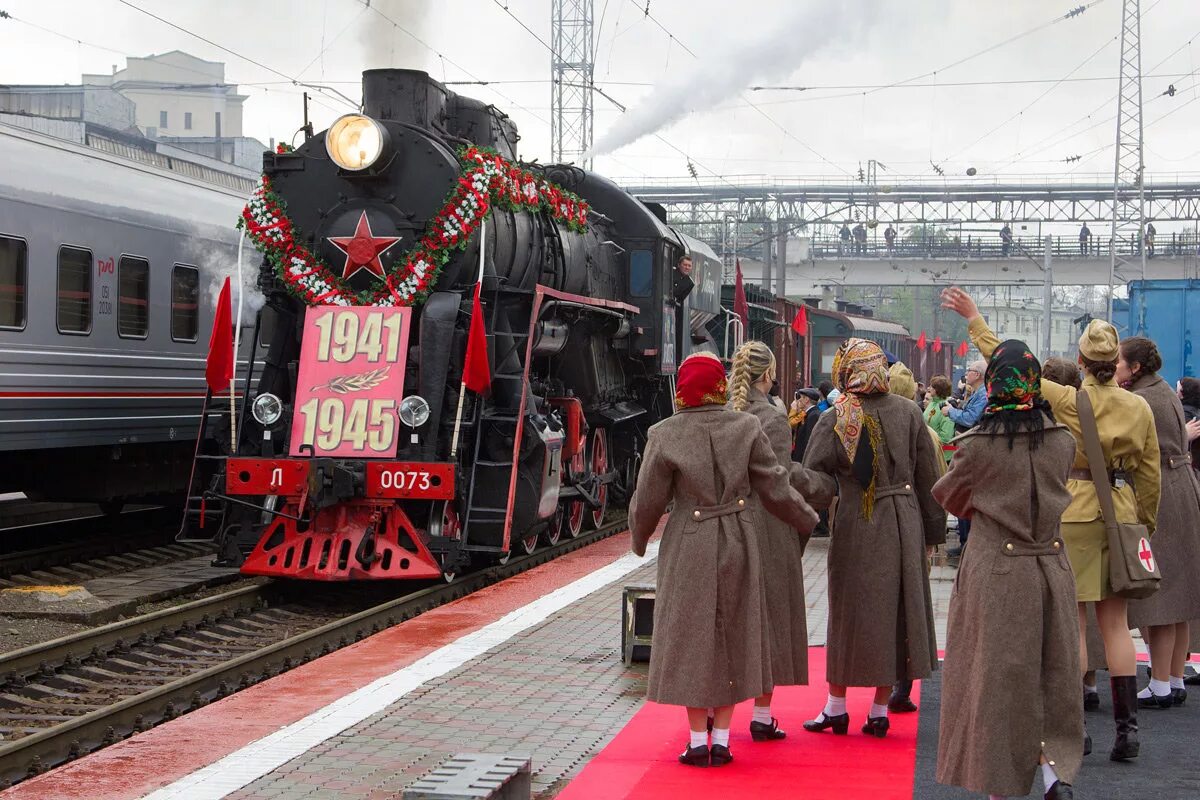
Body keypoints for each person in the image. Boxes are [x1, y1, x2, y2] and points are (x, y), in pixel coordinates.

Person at [943, 286, 1161, 763]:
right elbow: (1149, 473)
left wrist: (976, 319)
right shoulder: (1138, 407)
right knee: (1118, 627)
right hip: (1121, 516)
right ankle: (1127, 732)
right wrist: (1143, 523)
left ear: (1081, 361)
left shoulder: (1067, 400)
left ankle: (1076, 729)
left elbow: (1009, 361)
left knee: (1075, 629)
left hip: (1077, 516)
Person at [629, 352, 818, 768]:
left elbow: (648, 501)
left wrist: (640, 539)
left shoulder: (664, 433)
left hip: (688, 543)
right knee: (736, 631)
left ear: (682, 390)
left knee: (692, 635)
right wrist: (807, 518)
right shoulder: (746, 426)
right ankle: (723, 740)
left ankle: (698, 741)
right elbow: (775, 485)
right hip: (738, 535)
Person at [933, 339, 1081, 800]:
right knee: (1054, 673)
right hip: (1052, 565)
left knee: (996, 679)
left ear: (994, 382)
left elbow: (951, 497)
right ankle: (1056, 773)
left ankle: (1001, 786)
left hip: (996, 567)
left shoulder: (977, 447)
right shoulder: (1062, 441)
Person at [798, 339, 945, 739]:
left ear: (847, 372)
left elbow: (813, 479)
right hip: (903, 521)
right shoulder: (909, 412)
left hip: (856, 521)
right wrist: (933, 534)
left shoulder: (836, 416)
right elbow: (929, 479)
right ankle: (879, 711)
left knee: (847, 612)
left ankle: (836, 707)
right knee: (897, 612)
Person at [728, 341, 814, 741]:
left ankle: (713, 712)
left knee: (727, 618)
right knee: (770, 616)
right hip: (766, 524)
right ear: (768, 375)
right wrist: (811, 508)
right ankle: (762, 716)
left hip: (727, 525)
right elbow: (779, 479)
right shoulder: (772, 419)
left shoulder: (724, 414)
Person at [1119, 338, 1200, 709]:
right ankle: (1176, 678)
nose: (1114, 367)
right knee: (1180, 594)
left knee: (1162, 597)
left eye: (1118, 362)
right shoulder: (1163, 388)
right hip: (1182, 487)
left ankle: (1161, 683)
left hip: (1161, 490)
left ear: (1135, 366)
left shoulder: (1140, 399)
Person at [885, 361, 948, 716]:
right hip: (910, 525)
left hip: (871, 527)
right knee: (910, 606)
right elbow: (933, 486)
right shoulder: (926, 432)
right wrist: (934, 534)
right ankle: (902, 686)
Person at [946, 361, 987, 556]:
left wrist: (951, 412)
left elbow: (970, 419)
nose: (966, 374)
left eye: (969, 370)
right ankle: (964, 541)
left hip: (971, 447)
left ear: (978, 374)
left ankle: (967, 543)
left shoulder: (983, 394)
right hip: (967, 447)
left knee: (966, 493)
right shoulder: (976, 393)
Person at [924, 375, 957, 465]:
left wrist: (929, 444)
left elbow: (946, 436)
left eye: (931, 386)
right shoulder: (933, 403)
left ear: (937, 390)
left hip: (942, 457)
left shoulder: (946, 407)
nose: (929, 388)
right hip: (930, 452)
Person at [790, 388, 822, 462]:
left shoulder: (813, 415)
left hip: (804, 461)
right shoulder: (809, 413)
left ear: (806, 400)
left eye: (801, 397)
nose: (799, 400)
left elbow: (808, 441)